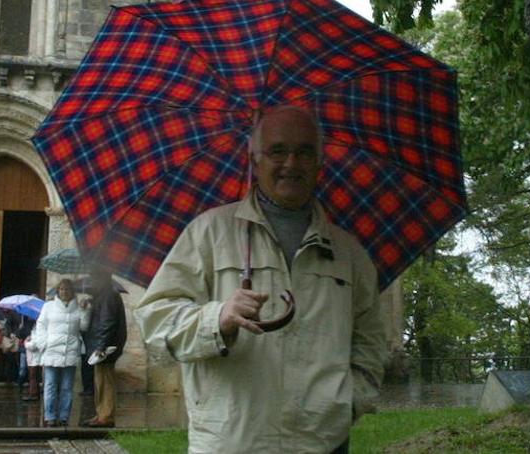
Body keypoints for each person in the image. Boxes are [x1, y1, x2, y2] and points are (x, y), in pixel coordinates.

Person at [137, 105, 386, 454]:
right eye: (277, 151)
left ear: (319, 163)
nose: (291, 163)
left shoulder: (349, 252)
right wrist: (217, 318)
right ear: (254, 161)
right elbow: (156, 317)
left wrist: (348, 403)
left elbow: (371, 341)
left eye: (304, 152)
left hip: (322, 443)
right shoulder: (208, 233)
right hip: (230, 442)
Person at [31, 277, 91, 427]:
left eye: (67, 289)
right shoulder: (49, 307)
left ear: (72, 291)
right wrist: (43, 343)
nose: (64, 292)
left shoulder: (77, 307)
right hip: (51, 350)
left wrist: (85, 311)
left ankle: (64, 416)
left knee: (66, 387)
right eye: (62, 289)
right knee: (50, 385)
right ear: (58, 290)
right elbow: (41, 325)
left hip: (69, 351)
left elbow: (83, 327)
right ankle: (50, 415)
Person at [82, 269, 127, 427]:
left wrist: (101, 346)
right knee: (99, 381)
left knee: (105, 381)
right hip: (100, 345)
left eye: (94, 277)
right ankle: (101, 413)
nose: (91, 281)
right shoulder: (103, 295)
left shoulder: (108, 295)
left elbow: (107, 322)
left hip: (104, 347)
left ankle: (106, 415)